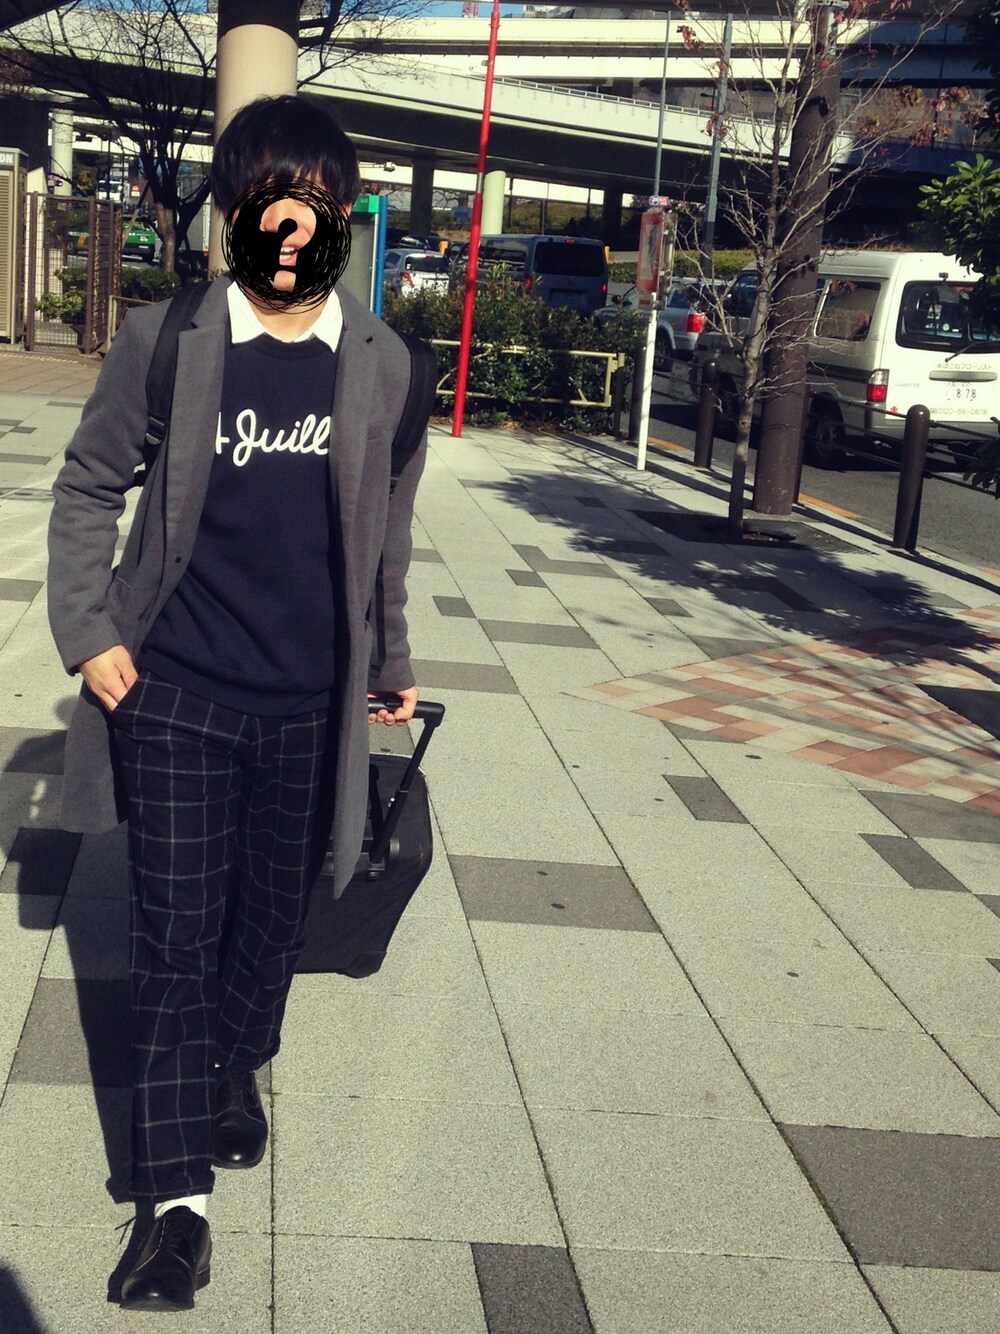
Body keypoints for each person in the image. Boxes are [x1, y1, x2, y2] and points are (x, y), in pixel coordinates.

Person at [47, 95, 425, 1312]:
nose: (290, 225)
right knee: (174, 943)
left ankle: (236, 1063)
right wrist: (91, 632)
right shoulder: (167, 340)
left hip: (310, 706)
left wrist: (390, 662)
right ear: (232, 215)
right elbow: (89, 484)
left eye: (313, 203)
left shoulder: (386, 367)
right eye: (267, 199)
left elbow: (385, 538)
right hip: (178, 692)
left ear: (339, 217)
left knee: (268, 931)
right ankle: (175, 1209)